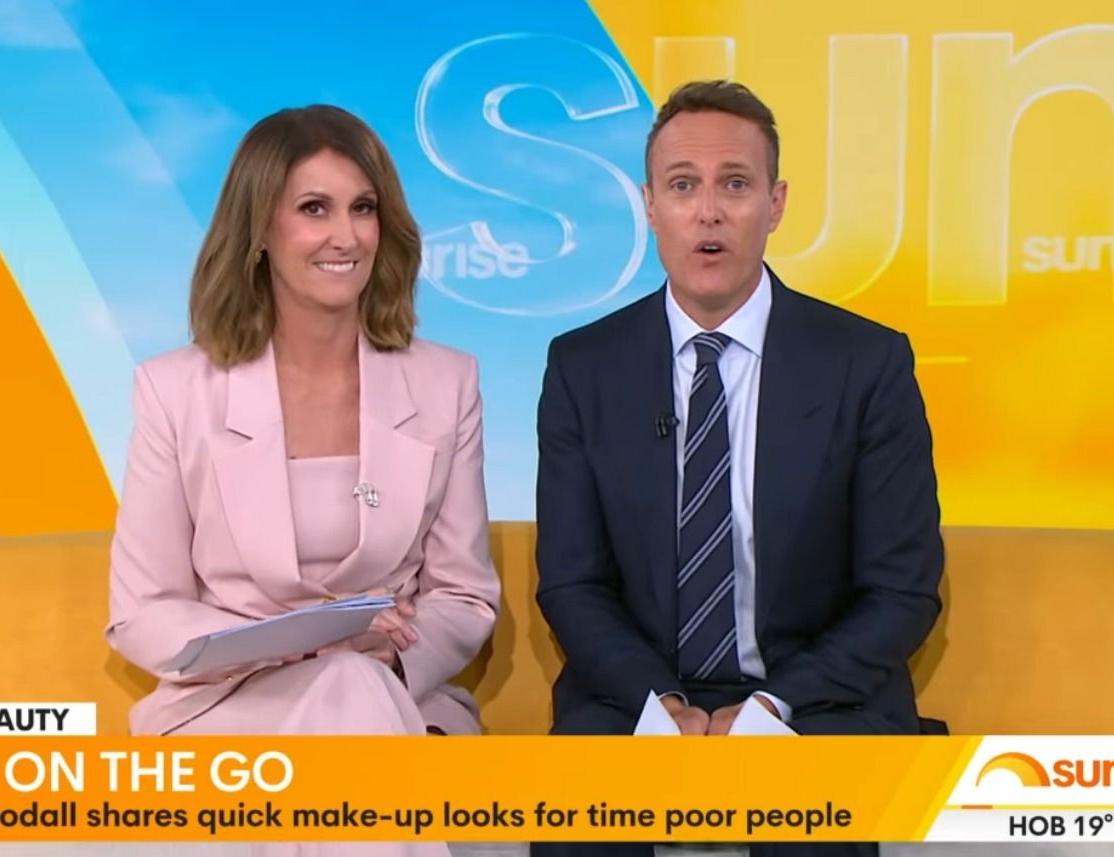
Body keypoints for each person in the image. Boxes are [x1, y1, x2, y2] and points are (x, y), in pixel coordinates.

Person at [533, 80, 944, 857]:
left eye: (734, 184)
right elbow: (571, 583)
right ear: (650, 205)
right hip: (633, 696)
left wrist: (772, 706)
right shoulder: (583, 367)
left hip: (817, 699)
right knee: (579, 824)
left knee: (806, 823)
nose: (708, 212)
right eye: (682, 186)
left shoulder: (865, 363)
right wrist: (662, 704)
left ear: (775, 204)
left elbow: (901, 590)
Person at [106, 104, 500, 854]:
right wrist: (279, 644)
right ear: (259, 228)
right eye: (314, 209)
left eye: (362, 208)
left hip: (393, 694)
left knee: (353, 688)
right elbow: (141, 610)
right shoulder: (176, 390)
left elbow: (464, 593)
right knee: (345, 695)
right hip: (228, 705)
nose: (344, 236)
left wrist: (392, 654)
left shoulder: (445, 383)